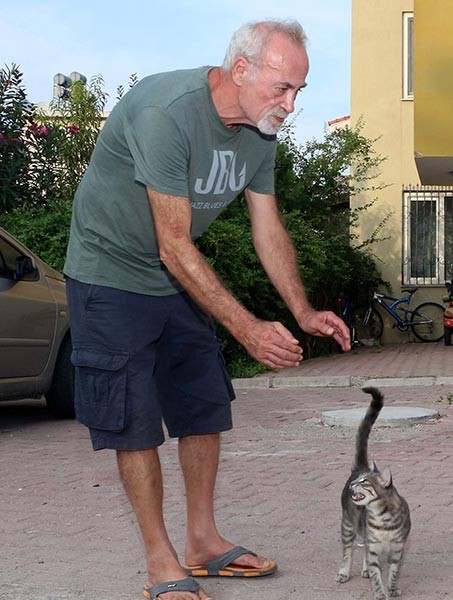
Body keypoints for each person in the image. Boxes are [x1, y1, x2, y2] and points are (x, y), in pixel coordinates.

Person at [63, 19, 351, 600]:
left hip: (174, 280)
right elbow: (173, 243)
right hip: (110, 276)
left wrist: (300, 309)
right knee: (133, 419)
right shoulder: (165, 111)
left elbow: (266, 226)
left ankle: (203, 541)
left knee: (203, 403)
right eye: (282, 88)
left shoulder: (260, 134)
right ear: (240, 69)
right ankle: (159, 559)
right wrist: (246, 327)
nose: (290, 106)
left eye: (299, 91)